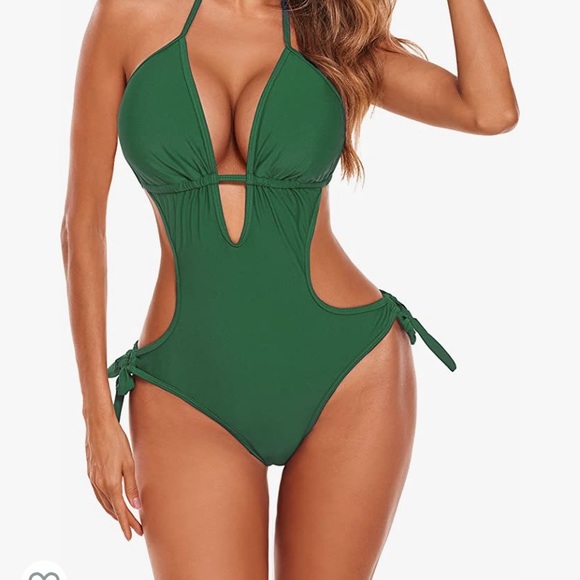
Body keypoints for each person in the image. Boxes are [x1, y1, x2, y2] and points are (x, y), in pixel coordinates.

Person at [61, 0, 518, 577]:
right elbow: (82, 224)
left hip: (345, 376)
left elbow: (489, 110)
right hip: (185, 387)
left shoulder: (330, 32)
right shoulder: (129, 16)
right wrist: (96, 416)